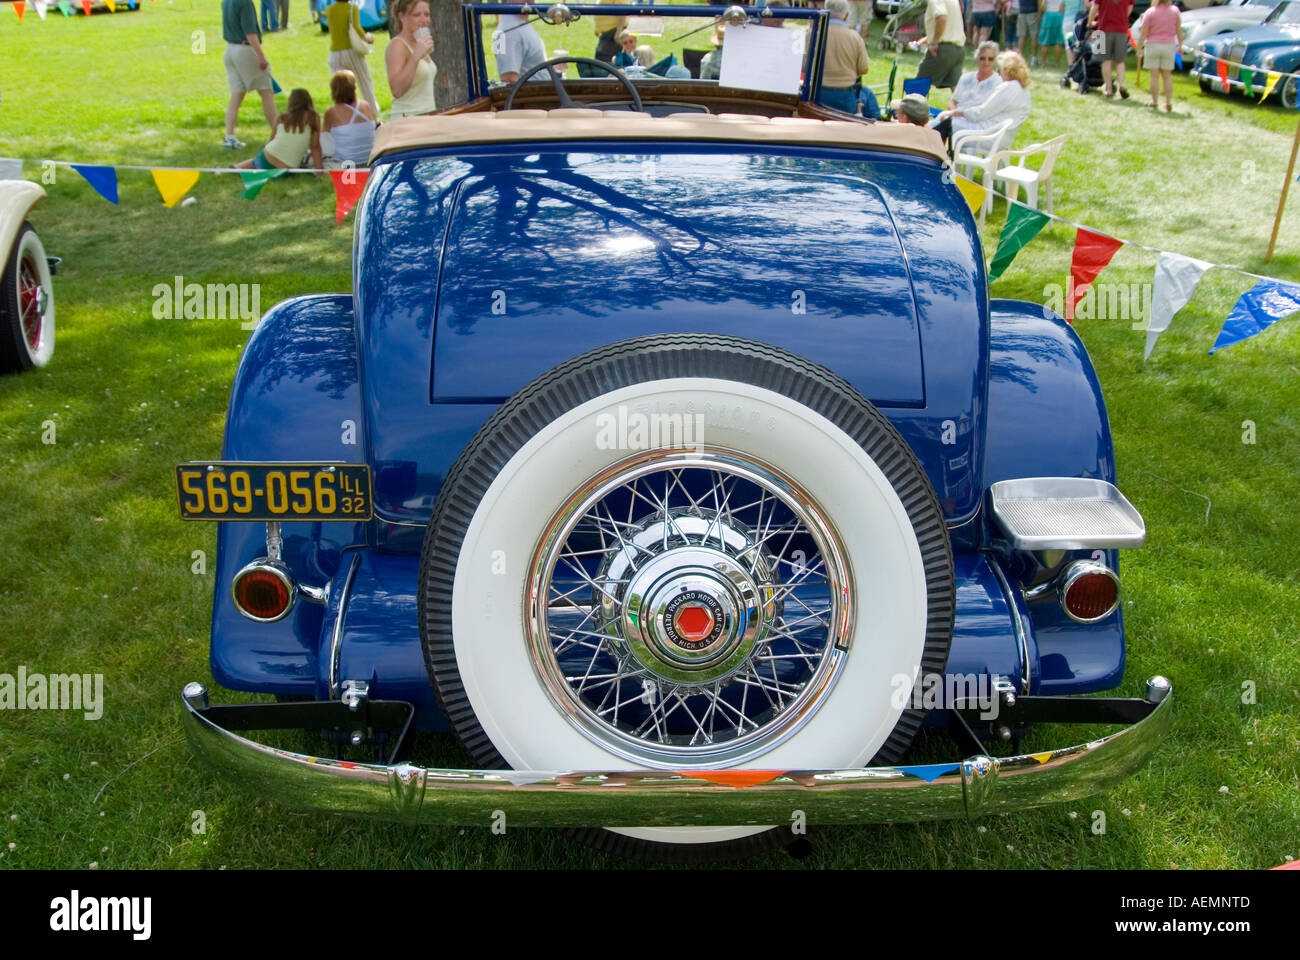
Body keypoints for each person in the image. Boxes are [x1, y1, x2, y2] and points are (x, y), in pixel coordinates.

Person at [931, 49, 1031, 151]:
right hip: (998, 135)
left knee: (944, 121)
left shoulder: (1008, 87)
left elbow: (980, 113)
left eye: (999, 70)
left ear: (1007, 70)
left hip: (988, 135)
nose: (999, 74)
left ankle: (927, 154)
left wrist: (955, 112)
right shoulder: (1023, 90)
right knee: (945, 121)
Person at [222, 0, 277, 149]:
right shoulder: (245, 2)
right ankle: (277, 134)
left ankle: (229, 136)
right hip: (245, 50)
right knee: (267, 92)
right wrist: (260, 55)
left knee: (236, 95)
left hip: (230, 49)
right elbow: (250, 33)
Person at [233, 88, 324, 176]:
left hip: (267, 158)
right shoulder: (313, 117)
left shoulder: (281, 118)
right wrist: (320, 172)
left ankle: (234, 169)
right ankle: (234, 169)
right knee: (257, 162)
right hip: (286, 171)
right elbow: (315, 146)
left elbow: (271, 140)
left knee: (256, 162)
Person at [817, 0, 873, 114]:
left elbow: (803, 66)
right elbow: (863, 68)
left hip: (818, 93)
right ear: (846, 15)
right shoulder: (855, 38)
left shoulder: (816, 34)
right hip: (845, 94)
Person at [327, 0, 380, 116]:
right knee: (364, 81)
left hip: (335, 52)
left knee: (339, 87)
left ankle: (342, 115)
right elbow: (356, 27)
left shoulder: (329, 9)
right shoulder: (352, 8)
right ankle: (373, 113)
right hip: (351, 50)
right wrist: (367, 38)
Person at [387, 0, 438, 115]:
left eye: (427, 14)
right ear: (402, 16)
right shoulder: (397, 45)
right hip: (408, 118)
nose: (424, 20)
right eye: (416, 15)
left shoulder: (420, 43)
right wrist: (415, 56)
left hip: (428, 115)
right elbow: (397, 90)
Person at [322, 69, 379, 169]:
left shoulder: (331, 112)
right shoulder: (366, 105)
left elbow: (324, 138)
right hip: (368, 159)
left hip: (345, 162)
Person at [1138, 0, 1181, 111]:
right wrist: (1180, 45)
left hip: (1153, 44)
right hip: (1169, 45)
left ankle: (1155, 102)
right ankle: (1168, 102)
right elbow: (1178, 29)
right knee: (1167, 76)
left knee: (1154, 76)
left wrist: (1139, 47)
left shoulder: (1150, 12)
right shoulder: (1175, 11)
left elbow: (1144, 32)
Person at [917, 0, 967, 90]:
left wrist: (934, 41)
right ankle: (964, 104)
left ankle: (910, 103)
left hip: (943, 49)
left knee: (917, 87)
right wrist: (929, 38)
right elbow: (950, 25)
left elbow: (942, 18)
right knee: (957, 91)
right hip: (959, 50)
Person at [1088, 0, 1132, 99]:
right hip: (1121, 29)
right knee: (1120, 61)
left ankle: (1109, 89)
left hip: (1104, 29)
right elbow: (1129, 9)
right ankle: (1121, 85)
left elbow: (1094, 8)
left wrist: (1090, 22)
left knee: (1106, 60)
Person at [492, 3, 547, 83]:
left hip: (545, 92)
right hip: (536, 94)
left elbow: (528, 62)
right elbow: (509, 80)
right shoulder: (508, 32)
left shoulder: (520, 22)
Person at [951, 41, 1002, 111]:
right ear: (977, 58)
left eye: (990, 59)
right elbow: (953, 102)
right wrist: (953, 113)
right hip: (957, 116)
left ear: (995, 61)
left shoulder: (998, 82)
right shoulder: (966, 78)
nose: (986, 63)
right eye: (982, 58)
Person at [1039, 0, 1065, 68]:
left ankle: (1043, 63)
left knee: (1045, 41)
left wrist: (1040, 13)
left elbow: (1041, 4)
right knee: (1058, 41)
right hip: (1059, 15)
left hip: (1048, 15)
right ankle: (1057, 63)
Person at [1018, 0, 1041, 65]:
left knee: (1022, 35)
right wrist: (1039, 12)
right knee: (1034, 35)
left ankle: (1020, 57)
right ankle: (1034, 58)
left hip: (1022, 10)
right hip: (1033, 10)